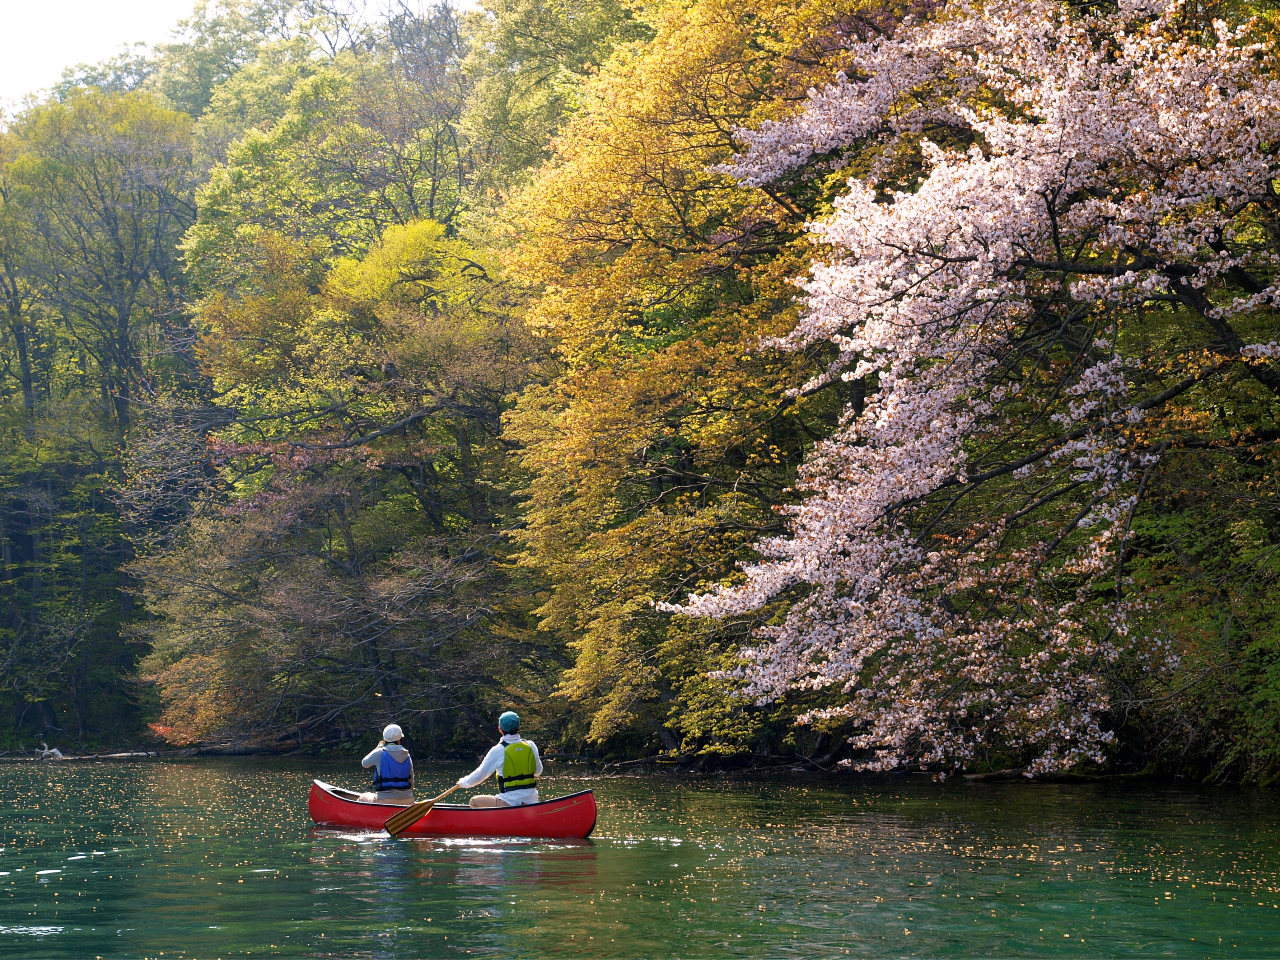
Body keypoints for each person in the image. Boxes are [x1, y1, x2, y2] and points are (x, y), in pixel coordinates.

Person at [456, 711, 543, 807]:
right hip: (532, 802)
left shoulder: (498, 750)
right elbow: (538, 772)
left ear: (500, 729)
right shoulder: (531, 745)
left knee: (474, 801)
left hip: (509, 802)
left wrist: (463, 782)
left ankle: (501, 816)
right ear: (519, 727)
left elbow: (480, 774)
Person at [360, 723, 414, 805]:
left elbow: (364, 763)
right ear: (399, 739)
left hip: (385, 800)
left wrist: (378, 747)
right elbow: (411, 781)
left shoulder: (380, 752)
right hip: (408, 800)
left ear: (384, 739)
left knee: (363, 797)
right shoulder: (407, 755)